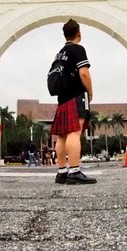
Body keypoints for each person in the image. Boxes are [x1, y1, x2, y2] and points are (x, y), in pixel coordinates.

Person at [50, 19, 97, 185]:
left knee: (62, 135)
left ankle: (62, 171)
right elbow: (84, 73)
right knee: (74, 132)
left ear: (65, 34)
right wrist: (90, 91)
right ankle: (74, 171)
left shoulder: (60, 53)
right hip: (76, 94)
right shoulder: (78, 49)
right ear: (78, 33)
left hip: (62, 98)